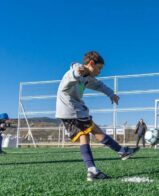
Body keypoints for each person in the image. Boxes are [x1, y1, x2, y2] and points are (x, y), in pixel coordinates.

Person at [56, 51, 139, 181]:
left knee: (88, 134)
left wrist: (111, 94)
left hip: (72, 111)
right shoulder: (75, 72)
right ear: (91, 64)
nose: (100, 72)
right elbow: (71, 77)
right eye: (99, 68)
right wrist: (77, 72)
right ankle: (120, 152)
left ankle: (93, 169)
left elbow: (99, 85)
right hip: (72, 110)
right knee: (92, 131)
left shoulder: (87, 78)